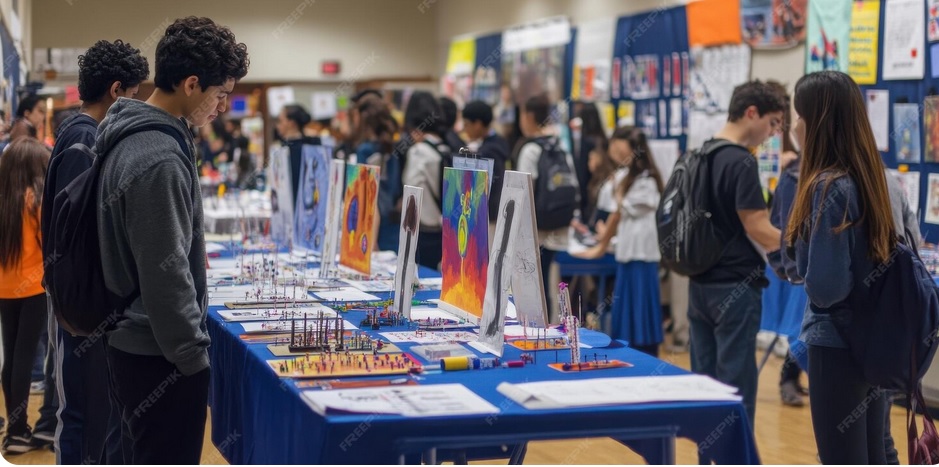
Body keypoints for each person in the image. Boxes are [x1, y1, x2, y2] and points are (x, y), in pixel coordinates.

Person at [96, 17, 248, 464]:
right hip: (157, 353)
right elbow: (166, 272)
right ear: (192, 83)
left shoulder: (140, 137)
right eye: (221, 95)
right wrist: (192, 359)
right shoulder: (158, 157)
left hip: (139, 343)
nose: (223, 108)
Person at [40, 39, 148, 464]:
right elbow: (78, 234)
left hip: (84, 301)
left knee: (98, 415)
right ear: (117, 90)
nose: (136, 103)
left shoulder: (81, 133)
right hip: (80, 305)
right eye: (135, 94)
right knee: (82, 414)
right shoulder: (83, 141)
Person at [786, 70, 894, 464]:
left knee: (842, 457)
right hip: (872, 339)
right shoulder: (869, 179)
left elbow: (826, 287)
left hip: (835, 343)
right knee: (872, 454)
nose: (794, 125)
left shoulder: (826, 186)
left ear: (815, 122)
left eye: (799, 115)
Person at [687, 80, 786, 426]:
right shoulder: (741, 161)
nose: (773, 133)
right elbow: (757, 227)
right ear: (751, 113)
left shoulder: (702, 153)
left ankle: (706, 456)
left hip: (699, 283)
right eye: (773, 122)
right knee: (736, 388)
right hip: (735, 288)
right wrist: (798, 243)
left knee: (703, 385)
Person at [573, 127, 664, 357]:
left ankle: (644, 350)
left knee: (640, 303)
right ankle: (631, 349)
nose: (615, 153)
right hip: (627, 251)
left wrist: (602, 242)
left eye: (621, 149)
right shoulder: (625, 176)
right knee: (627, 303)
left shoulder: (646, 180)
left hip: (641, 252)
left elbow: (622, 208)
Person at [0, 138, 51, 454]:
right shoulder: (35, 199)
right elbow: (49, 243)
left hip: (5, 289)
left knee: (12, 356)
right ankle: (18, 430)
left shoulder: (4, 200)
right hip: (34, 288)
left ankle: (14, 426)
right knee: (26, 355)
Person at [761, 80, 809, 408]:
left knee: (801, 320)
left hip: (801, 248)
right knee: (795, 320)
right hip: (783, 246)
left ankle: (793, 374)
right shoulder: (765, 153)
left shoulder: (799, 155)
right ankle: (788, 376)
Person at [515, 94, 579, 311]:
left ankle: (537, 329)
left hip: (537, 228)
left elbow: (525, 192)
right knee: (552, 284)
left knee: (535, 285)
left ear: (529, 117)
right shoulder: (560, 146)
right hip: (560, 225)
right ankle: (554, 329)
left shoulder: (530, 149)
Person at [401, 91, 449, 269]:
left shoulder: (418, 152)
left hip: (423, 231)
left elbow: (410, 192)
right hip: (447, 230)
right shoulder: (447, 147)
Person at [350, 94, 402, 252]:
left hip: (373, 221)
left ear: (362, 118)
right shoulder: (393, 148)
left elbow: (368, 194)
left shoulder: (365, 150)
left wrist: (370, 238)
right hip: (393, 221)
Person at [461, 100, 509, 228]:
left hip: (489, 217)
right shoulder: (499, 143)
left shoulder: (487, 152)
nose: (464, 129)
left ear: (477, 124)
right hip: (499, 211)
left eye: (466, 124)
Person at [275, 103, 322, 201]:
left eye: (280, 121)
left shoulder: (298, 149)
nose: (277, 126)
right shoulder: (312, 144)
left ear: (291, 123)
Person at [571, 102, 608, 218]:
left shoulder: (586, 142)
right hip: (602, 188)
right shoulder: (604, 139)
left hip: (588, 192)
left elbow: (581, 172)